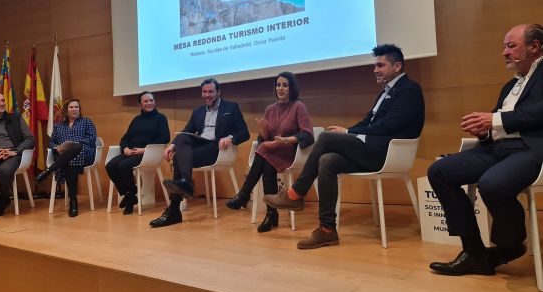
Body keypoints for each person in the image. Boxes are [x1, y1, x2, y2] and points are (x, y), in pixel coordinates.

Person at [264, 44, 425, 249]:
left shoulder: (409, 89)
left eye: (380, 65)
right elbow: (368, 121)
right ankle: (327, 230)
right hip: (372, 149)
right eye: (375, 65)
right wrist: (348, 129)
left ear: (397, 66)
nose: (375, 70)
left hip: (387, 153)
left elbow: (391, 124)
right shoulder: (385, 92)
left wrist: (349, 133)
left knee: (324, 138)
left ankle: (295, 194)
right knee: (327, 161)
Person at [428, 23, 543, 276]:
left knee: (491, 184)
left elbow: (536, 113)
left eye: (511, 46)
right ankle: (474, 252)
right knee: (439, 171)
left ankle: (508, 247)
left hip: (530, 149)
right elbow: (498, 119)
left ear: (534, 47)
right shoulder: (510, 85)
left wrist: (495, 121)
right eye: (504, 46)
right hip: (499, 150)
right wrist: (485, 130)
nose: (504, 52)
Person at [150, 77, 250, 228]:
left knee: (178, 159)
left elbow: (244, 133)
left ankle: (174, 211)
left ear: (218, 92)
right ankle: (185, 186)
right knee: (181, 141)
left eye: (210, 91)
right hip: (201, 145)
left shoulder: (231, 108)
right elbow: (186, 131)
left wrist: (230, 138)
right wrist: (172, 146)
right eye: (204, 92)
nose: (207, 95)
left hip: (218, 149)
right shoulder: (198, 112)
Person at [225, 72, 314, 232]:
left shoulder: (298, 106)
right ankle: (270, 214)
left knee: (265, 151)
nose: (280, 88)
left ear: (292, 88)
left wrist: (287, 140)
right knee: (266, 158)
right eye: (278, 85)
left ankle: (245, 195)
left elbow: (307, 134)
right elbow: (265, 139)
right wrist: (264, 131)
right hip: (272, 152)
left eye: (285, 85)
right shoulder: (270, 109)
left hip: (291, 153)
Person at [105, 91, 170, 214]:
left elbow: (165, 138)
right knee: (110, 165)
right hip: (132, 152)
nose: (149, 103)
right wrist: (125, 149)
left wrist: (145, 149)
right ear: (140, 105)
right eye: (146, 101)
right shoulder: (136, 119)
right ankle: (130, 194)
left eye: (151, 100)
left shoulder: (160, 118)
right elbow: (125, 138)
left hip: (149, 154)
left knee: (123, 165)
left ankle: (129, 197)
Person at [35, 99, 97, 217]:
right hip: (64, 156)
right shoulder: (58, 126)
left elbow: (91, 139)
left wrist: (75, 143)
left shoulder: (87, 121)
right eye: (71, 107)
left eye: (76, 107)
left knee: (76, 148)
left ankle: (48, 171)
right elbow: (52, 142)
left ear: (79, 110)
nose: (74, 109)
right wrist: (58, 148)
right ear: (66, 110)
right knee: (69, 160)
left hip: (84, 152)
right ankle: (73, 201)